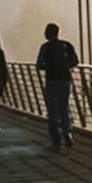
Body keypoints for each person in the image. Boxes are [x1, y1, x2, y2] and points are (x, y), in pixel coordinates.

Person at [34, 22, 79, 150]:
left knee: (53, 110)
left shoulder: (45, 47)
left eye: (45, 31)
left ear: (48, 33)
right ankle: (68, 134)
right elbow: (75, 61)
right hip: (65, 80)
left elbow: (39, 64)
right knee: (64, 108)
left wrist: (47, 67)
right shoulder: (67, 45)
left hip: (52, 80)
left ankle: (56, 138)